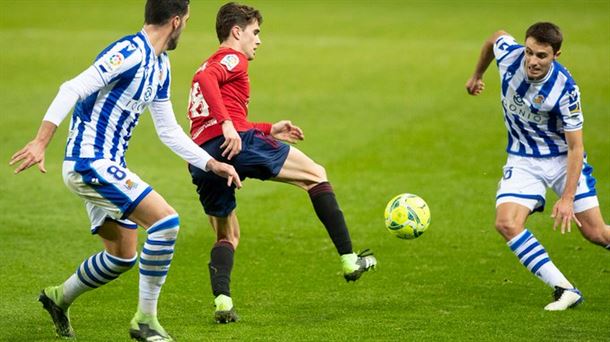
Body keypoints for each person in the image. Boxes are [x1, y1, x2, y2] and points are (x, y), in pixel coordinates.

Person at [9, 1, 242, 340]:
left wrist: (211, 163)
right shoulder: (129, 52)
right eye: (187, 22)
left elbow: (168, 130)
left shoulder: (161, 66)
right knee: (166, 223)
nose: (185, 28)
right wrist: (41, 141)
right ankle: (145, 322)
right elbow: (71, 88)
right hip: (89, 162)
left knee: (122, 255)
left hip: (108, 166)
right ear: (176, 21)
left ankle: (58, 297)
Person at [186, 2, 377, 323]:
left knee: (227, 235)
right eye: (255, 32)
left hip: (202, 158)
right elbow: (207, 80)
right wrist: (229, 126)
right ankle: (349, 259)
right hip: (233, 143)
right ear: (236, 32)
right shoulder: (230, 58)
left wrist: (267, 129)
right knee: (315, 175)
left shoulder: (215, 62)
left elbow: (216, 108)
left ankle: (222, 302)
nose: (258, 40)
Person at [465, 22, 610, 311]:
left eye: (541, 56)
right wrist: (477, 74)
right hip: (522, 159)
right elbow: (495, 37)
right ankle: (565, 289)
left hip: (560, 160)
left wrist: (567, 198)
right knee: (506, 223)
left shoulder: (566, 90)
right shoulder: (511, 55)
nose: (532, 61)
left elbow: (575, 147)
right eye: (529, 52)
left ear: (556, 54)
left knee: (596, 233)